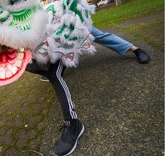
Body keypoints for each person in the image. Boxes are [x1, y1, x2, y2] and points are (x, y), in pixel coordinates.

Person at [27, 26, 150, 155]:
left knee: (97, 34)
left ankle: (135, 49)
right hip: (52, 31)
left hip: (70, 14)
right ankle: (54, 69)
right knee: (47, 61)